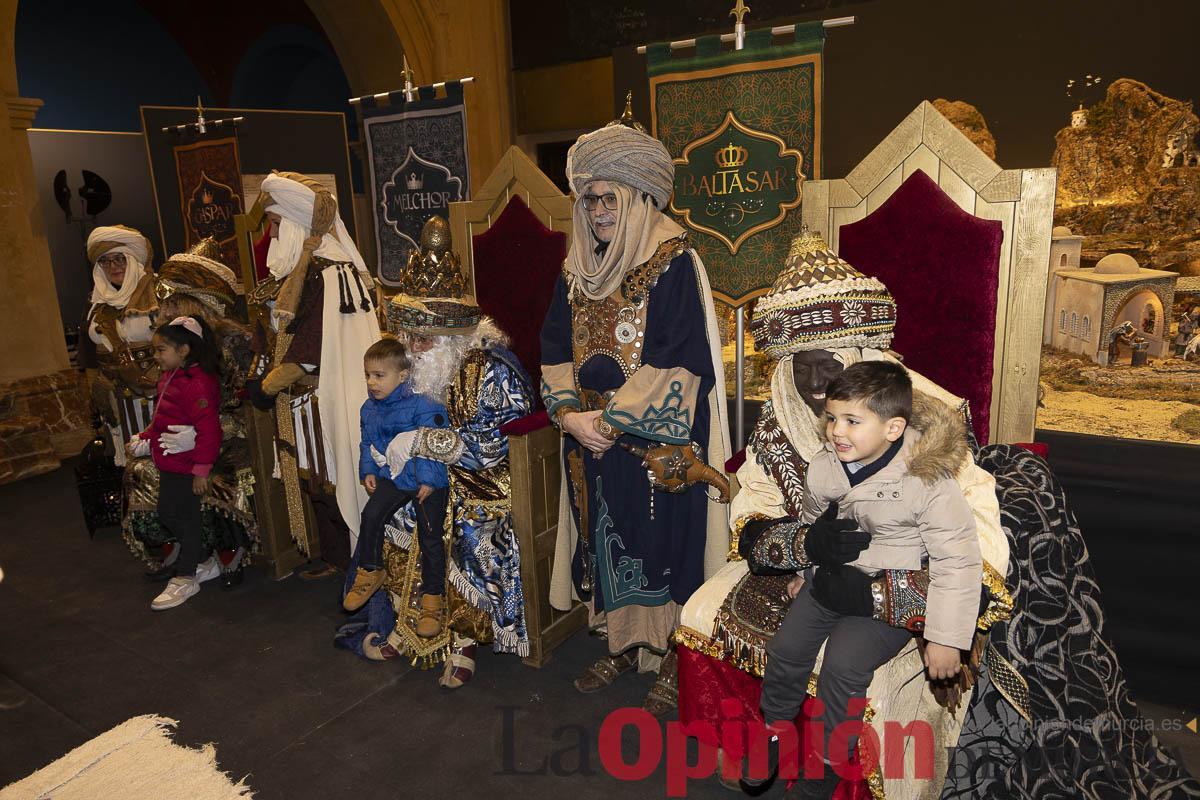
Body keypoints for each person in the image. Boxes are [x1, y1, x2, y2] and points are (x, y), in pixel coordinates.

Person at [674, 231, 1010, 799]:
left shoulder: (923, 419)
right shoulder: (787, 418)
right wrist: (807, 545)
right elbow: (758, 508)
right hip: (815, 572)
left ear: (856, 357)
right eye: (799, 367)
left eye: (825, 364)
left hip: (903, 578)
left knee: (847, 667)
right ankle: (765, 740)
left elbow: (968, 540)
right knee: (709, 610)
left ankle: (831, 771)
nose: (812, 385)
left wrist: (889, 597)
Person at [540, 112, 730, 714]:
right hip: (590, 442)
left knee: (663, 548)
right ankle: (622, 645)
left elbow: (680, 360)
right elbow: (551, 347)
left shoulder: (675, 263)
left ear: (640, 198)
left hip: (655, 446)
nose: (596, 212)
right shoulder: (576, 272)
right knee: (606, 546)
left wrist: (610, 424)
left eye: (609, 199)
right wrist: (570, 417)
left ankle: (674, 655)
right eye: (589, 199)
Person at [744, 361, 982, 798]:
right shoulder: (824, 466)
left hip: (882, 601)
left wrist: (947, 638)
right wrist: (805, 568)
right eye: (832, 418)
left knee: (842, 667)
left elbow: (958, 559)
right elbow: (815, 522)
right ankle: (775, 729)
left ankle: (826, 766)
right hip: (828, 585)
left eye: (853, 421)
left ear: (893, 428)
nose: (837, 430)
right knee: (785, 650)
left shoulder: (925, 478)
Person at [334, 215, 534, 690]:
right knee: (390, 512)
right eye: (409, 336)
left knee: (467, 527)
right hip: (422, 478)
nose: (415, 348)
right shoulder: (407, 371)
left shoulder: (490, 369)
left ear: (453, 336)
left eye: (425, 338)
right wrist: (382, 457)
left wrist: (424, 443)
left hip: (483, 481)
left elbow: (498, 443)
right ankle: (411, 621)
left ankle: (463, 637)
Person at [245, 172, 380, 576]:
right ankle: (337, 558)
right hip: (307, 398)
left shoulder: (327, 271)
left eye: (275, 224)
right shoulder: (307, 269)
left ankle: (352, 560)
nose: (271, 234)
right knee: (317, 481)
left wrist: (267, 385)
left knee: (329, 480)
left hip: (323, 395)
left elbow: (309, 351)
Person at [122, 239, 257, 588]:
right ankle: (182, 546)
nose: (165, 313)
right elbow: (167, 398)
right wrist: (152, 436)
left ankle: (228, 551)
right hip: (183, 434)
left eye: (173, 304)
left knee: (216, 476)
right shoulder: (172, 348)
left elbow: (241, 404)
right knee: (142, 470)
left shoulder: (234, 341)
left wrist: (200, 437)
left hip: (229, 429)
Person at [343, 337, 450, 640]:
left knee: (430, 535)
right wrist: (368, 471)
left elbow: (433, 441)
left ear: (402, 375)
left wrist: (429, 479)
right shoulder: (369, 409)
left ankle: (433, 597)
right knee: (371, 514)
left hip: (427, 479)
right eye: (367, 375)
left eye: (379, 375)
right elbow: (367, 444)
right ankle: (371, 568)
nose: (371, 382)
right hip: (395, 476)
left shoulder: (423, 401)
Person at [129, 316, 222, 611]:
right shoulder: (171, 376)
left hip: (186, 466)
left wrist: (201, 470)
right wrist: (145, 437)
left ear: (183, 350)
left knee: (185, 519)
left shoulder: (197, 383)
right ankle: (203, 560)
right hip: (169, 462)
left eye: (161, 350)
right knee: (169, 514)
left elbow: (210, 431)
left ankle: (186, 575)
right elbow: (162, 418)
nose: (156, 356)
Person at [78, 225, 159, 464]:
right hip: (119, 401)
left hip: (160, 397)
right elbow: (89, 360)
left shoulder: (159, 293)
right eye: (105, 261)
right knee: (134, 466)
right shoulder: (95, 304)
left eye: (119, 259)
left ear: (132, 259)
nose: (113, 267)